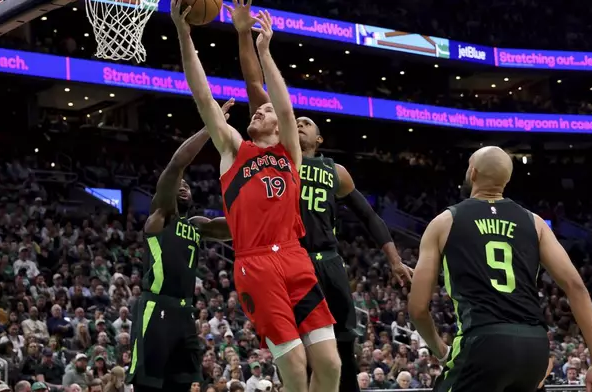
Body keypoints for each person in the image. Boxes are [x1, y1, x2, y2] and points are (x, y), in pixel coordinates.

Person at [224, 2, 412, 391]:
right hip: (286, 255)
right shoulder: (276, 155)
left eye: (309, 123)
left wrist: (394, 260)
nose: (301, 122)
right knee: (296, 355)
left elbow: (369, 216)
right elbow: (253, 83)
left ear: (319, 140)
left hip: (326, 261)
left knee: (340, 350)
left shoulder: (334, 171)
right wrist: (245, 35)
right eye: (298, 119)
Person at [172, 2, 341, 392]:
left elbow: (284, 106)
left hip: (295, 256)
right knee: (296, 367)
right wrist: (184, 35)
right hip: (256, 262)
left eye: (264, 111)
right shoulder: (234, 150)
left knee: (330, 365)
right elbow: (203, 98)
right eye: (258, 110)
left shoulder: (290, 154)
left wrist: (265, 51)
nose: (260, 112)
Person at [408, 146, 592, 392]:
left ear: (472, 173)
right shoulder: (534, 222)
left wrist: (441, 352)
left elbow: (418, 309)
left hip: (483, 342)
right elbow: (576, 287)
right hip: (534, 347)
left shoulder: (444, 222)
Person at [124, 115, 232, 390]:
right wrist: (210, 128)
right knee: (148, 385)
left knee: (183, 384)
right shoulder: (160, 215)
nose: (184, 187)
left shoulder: (198, 226)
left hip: (185, 312)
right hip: (155, 305)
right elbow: (177, 164)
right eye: (180, 186)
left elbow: (237, 227)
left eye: (188, 187)